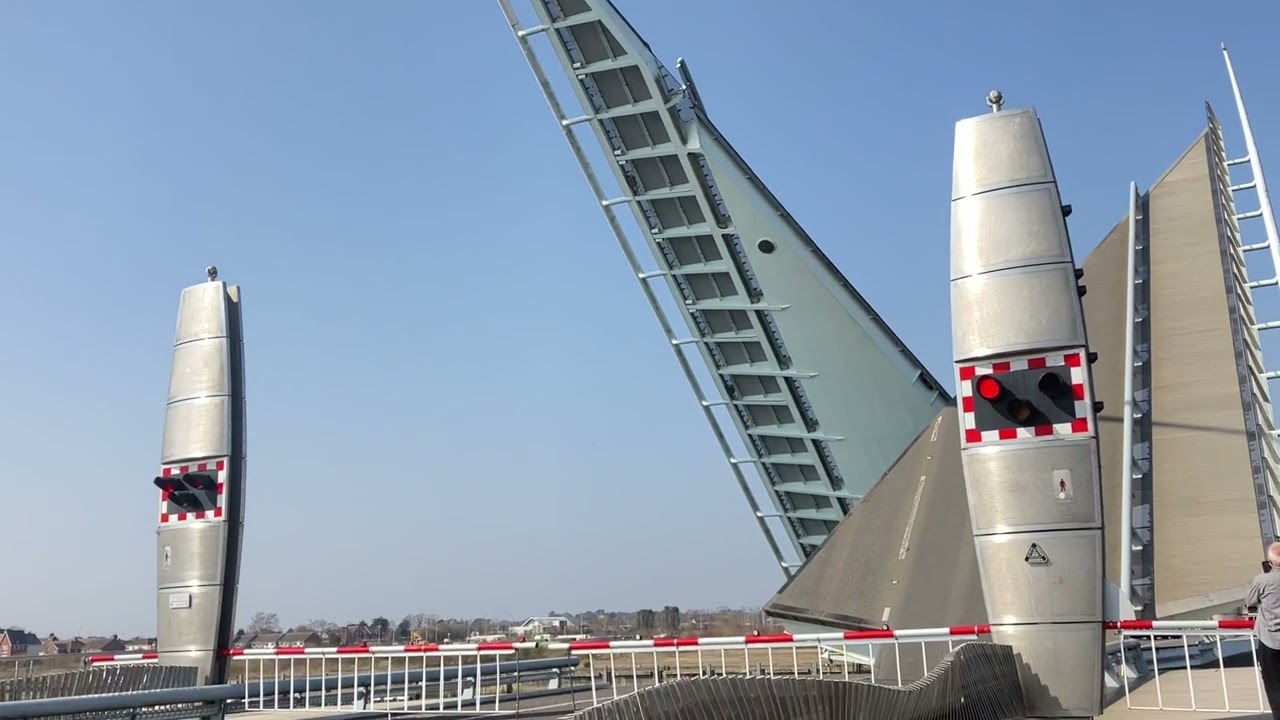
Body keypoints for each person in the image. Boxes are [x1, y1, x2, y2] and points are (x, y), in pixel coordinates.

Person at [1247, 542, 1280, 720]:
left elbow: (1250, 601)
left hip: (1269, 639)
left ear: (1270, 562)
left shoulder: (1261, 580)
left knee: (1273, 685)